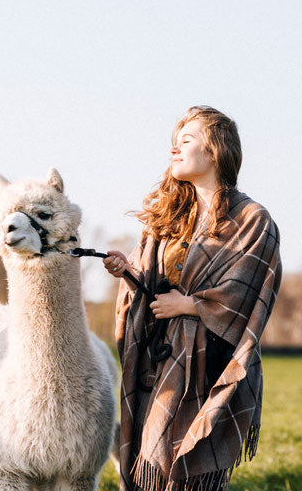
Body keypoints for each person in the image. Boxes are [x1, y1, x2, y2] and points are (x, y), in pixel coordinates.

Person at [103, 106, 281, 491]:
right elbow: (148, 283)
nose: (174, 150)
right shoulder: (168, 217)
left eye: (186, 141)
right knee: (150, 464)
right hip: (158, 363)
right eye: (173, 143)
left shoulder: (253, 220)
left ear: (214, 150)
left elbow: (247, 294)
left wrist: (189, 305)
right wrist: (128, 273)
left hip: (211, 366)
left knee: (193, 473)